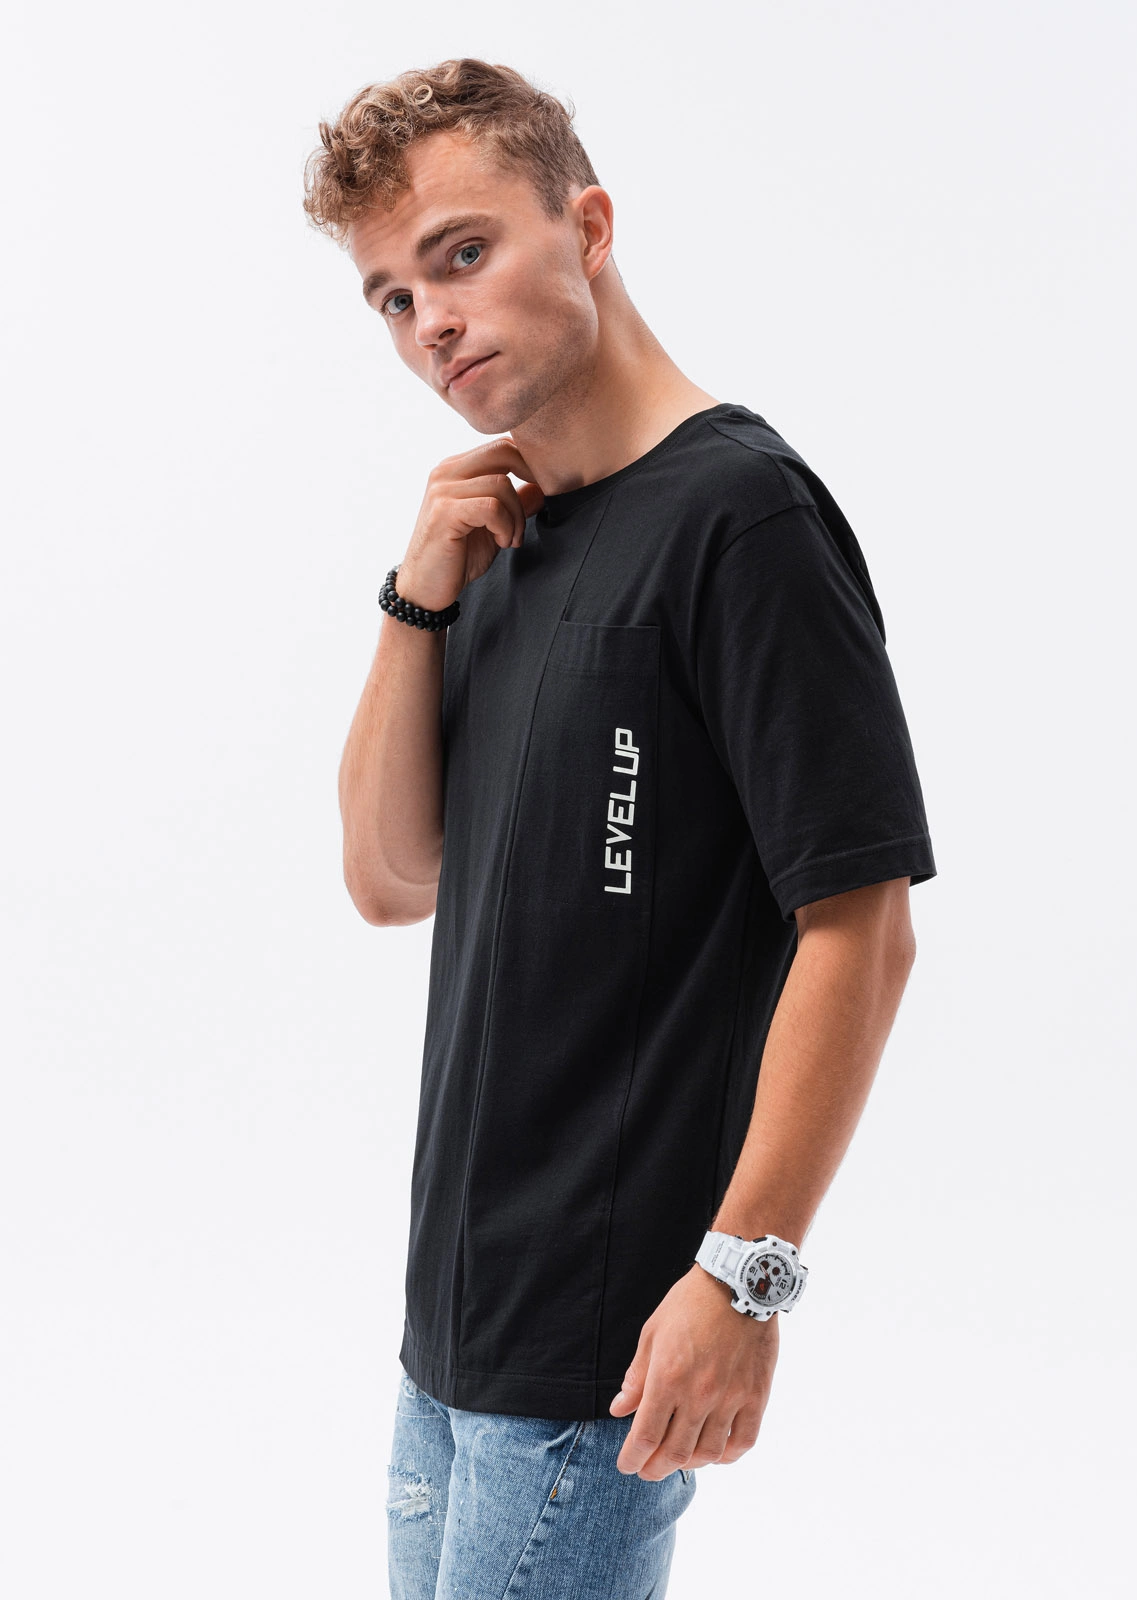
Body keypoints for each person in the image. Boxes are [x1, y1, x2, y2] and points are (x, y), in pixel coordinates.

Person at [303, 56, 936, 1600]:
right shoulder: (502, 540)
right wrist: (413, 601)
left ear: (586, 226)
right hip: (446, 1348)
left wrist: (745, 1277)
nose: (430, 320)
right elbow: (389, 880)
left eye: (461, 254)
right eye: (392, 297)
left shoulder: (743, 519)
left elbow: (862, 929)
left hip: (599, 1365)